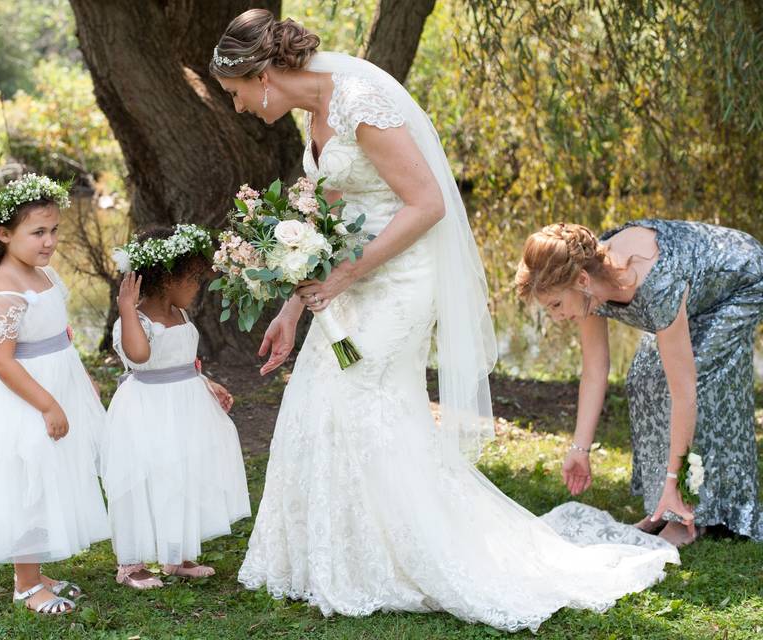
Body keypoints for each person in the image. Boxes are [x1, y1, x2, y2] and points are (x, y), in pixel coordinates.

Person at [210, 10, 680, 632]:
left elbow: (427, 203)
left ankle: (413, 556)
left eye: (237, 93)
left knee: (366, 401)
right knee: (321, 397)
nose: (239, 107)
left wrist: (347, 276)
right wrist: (294, 305)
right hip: (348, 286)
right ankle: (336, 557)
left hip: (399, 283)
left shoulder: (362, 102)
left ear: (263, 74)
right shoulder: (315, 115)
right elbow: (326, 211)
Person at [517, 220, 763, 545]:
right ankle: (661, 506)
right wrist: (580, 448)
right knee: (643, 378)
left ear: (581, 281)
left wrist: (676, 479)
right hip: (689, 286)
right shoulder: (585, 282)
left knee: (687, 379)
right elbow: (594, 369)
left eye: (556, 305)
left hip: (741, 279)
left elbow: (683, 393)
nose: (556, 317)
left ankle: (688, 510)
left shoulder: (656, 285)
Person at [0, 174, 109, 615]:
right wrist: (48, 404)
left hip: (56, 382)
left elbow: (57, 335)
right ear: (4, 234)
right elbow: (2, 362)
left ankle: (36, 572)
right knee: (28, 484)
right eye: (38, 232)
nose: (49, 241)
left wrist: (79, 379)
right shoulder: (5, 290)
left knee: (51, 475)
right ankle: (24, 585)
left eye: (54, 230)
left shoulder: (42, 274)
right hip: (25, 399)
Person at [103, 225, 250, 589]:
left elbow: (184, 360)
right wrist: (124, 307)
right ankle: (132, 563)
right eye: (193, 279)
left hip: (184, 408)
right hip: (148, 411)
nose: (198, 288)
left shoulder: (180, 315)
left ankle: (176, 554)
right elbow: (140, 357)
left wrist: (207, 382)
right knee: (146, 479)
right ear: (168, 279)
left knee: (182, 475)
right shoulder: (135, 320)